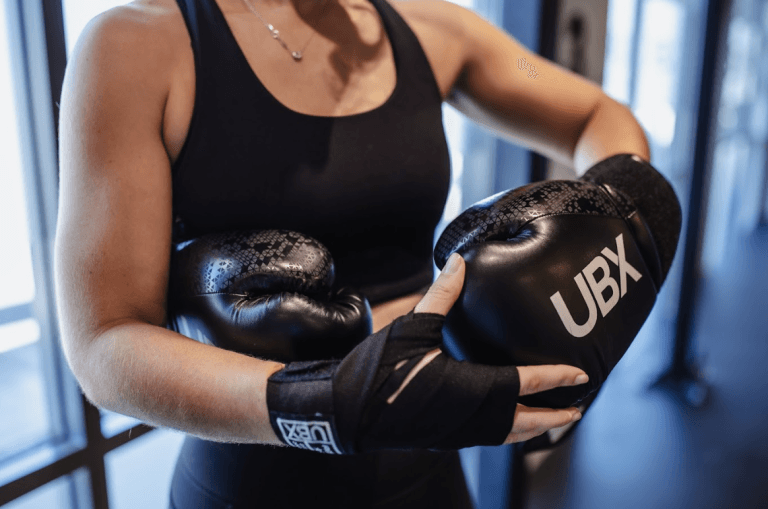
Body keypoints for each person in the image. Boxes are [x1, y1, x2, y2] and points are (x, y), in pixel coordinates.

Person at [54, 0, 651, 507]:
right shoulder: (138, 45)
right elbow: (104, 341)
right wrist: (325, 405)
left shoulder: (434, 29)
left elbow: (596, 116)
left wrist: (622, 233)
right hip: (253, 479)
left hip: (427, 468)